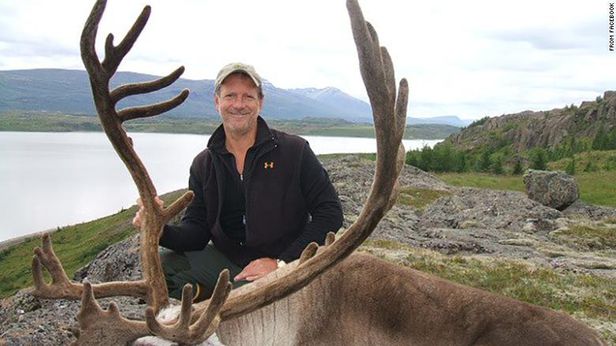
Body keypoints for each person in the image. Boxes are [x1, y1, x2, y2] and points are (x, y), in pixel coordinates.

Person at [133, 62, 343, 301]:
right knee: (161, 267)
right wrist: (159, 229)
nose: (239, 105)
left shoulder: (294, 151)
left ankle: (225, 302)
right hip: (232, 264)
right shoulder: (204, 164)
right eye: (230, 96)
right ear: (217, 102)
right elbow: (197, 232)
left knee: (255, 303)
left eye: (248, 97)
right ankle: (212, 296)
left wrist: (281, 262)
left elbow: (330, 212)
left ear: (260, 103)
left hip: (287, 265)